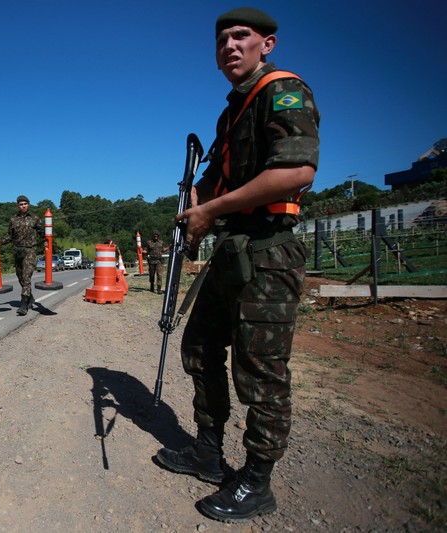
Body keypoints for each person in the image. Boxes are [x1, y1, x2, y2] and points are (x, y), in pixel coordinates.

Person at [155, 7, 320, 523]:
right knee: (200, 348)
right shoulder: (232, 112)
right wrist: (192, 204)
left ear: (266, 44)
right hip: (231, 249)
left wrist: (209, 210)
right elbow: (214, 182)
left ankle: (257, 481)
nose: (229, 46)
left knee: (260, 371)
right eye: (222, 39)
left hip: (268, 249)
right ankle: (207, 450)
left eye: (241, 37)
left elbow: (295, 171)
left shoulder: (283, 89)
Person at [0, 195, 45, 316]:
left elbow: (42, 232)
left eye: (25, 204)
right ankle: (30, 297)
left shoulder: (35, 218)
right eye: (20, 204)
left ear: (28, 204)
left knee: (26, 277)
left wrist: (47, 241)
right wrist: (0, 242)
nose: (23, 206)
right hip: (17, 251)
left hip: (30, 251)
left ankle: (23, 304)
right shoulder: (13, 219)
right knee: (20, 277)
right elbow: (10, 236)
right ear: (17, 206)